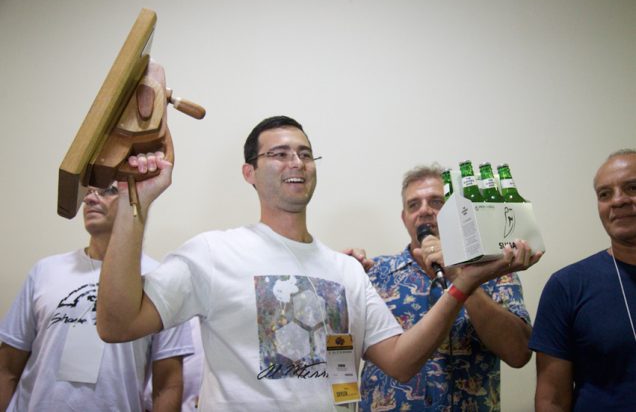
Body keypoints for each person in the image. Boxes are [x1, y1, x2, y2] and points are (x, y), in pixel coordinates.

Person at [95, 115, 540, 411]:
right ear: (249, 172)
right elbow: (116, 324)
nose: (297, 162)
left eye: (306, 153)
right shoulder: (214, 253)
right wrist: (139, 203)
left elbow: (401, 362)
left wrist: (464, 283)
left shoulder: (345, 271)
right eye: (280, 153)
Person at [0, 183, 195, 411]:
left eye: (107, 191)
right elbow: (7, 368)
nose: (90, 199)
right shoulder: (45, 271)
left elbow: (168, 385)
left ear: (132, 199)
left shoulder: (160, 280)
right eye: (88, 192)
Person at [358, 164, 534, 411]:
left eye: (436, 202)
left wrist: (462, 276)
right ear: (404, 218)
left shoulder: (493, 270)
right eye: (413, 205)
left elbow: (519, 354)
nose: (424, 211)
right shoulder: (374, 274)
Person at [530, 149, 636, 411]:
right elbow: (551, 400)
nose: (618, 201)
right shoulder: (567, 287)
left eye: (632, 188)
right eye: (605, 194)